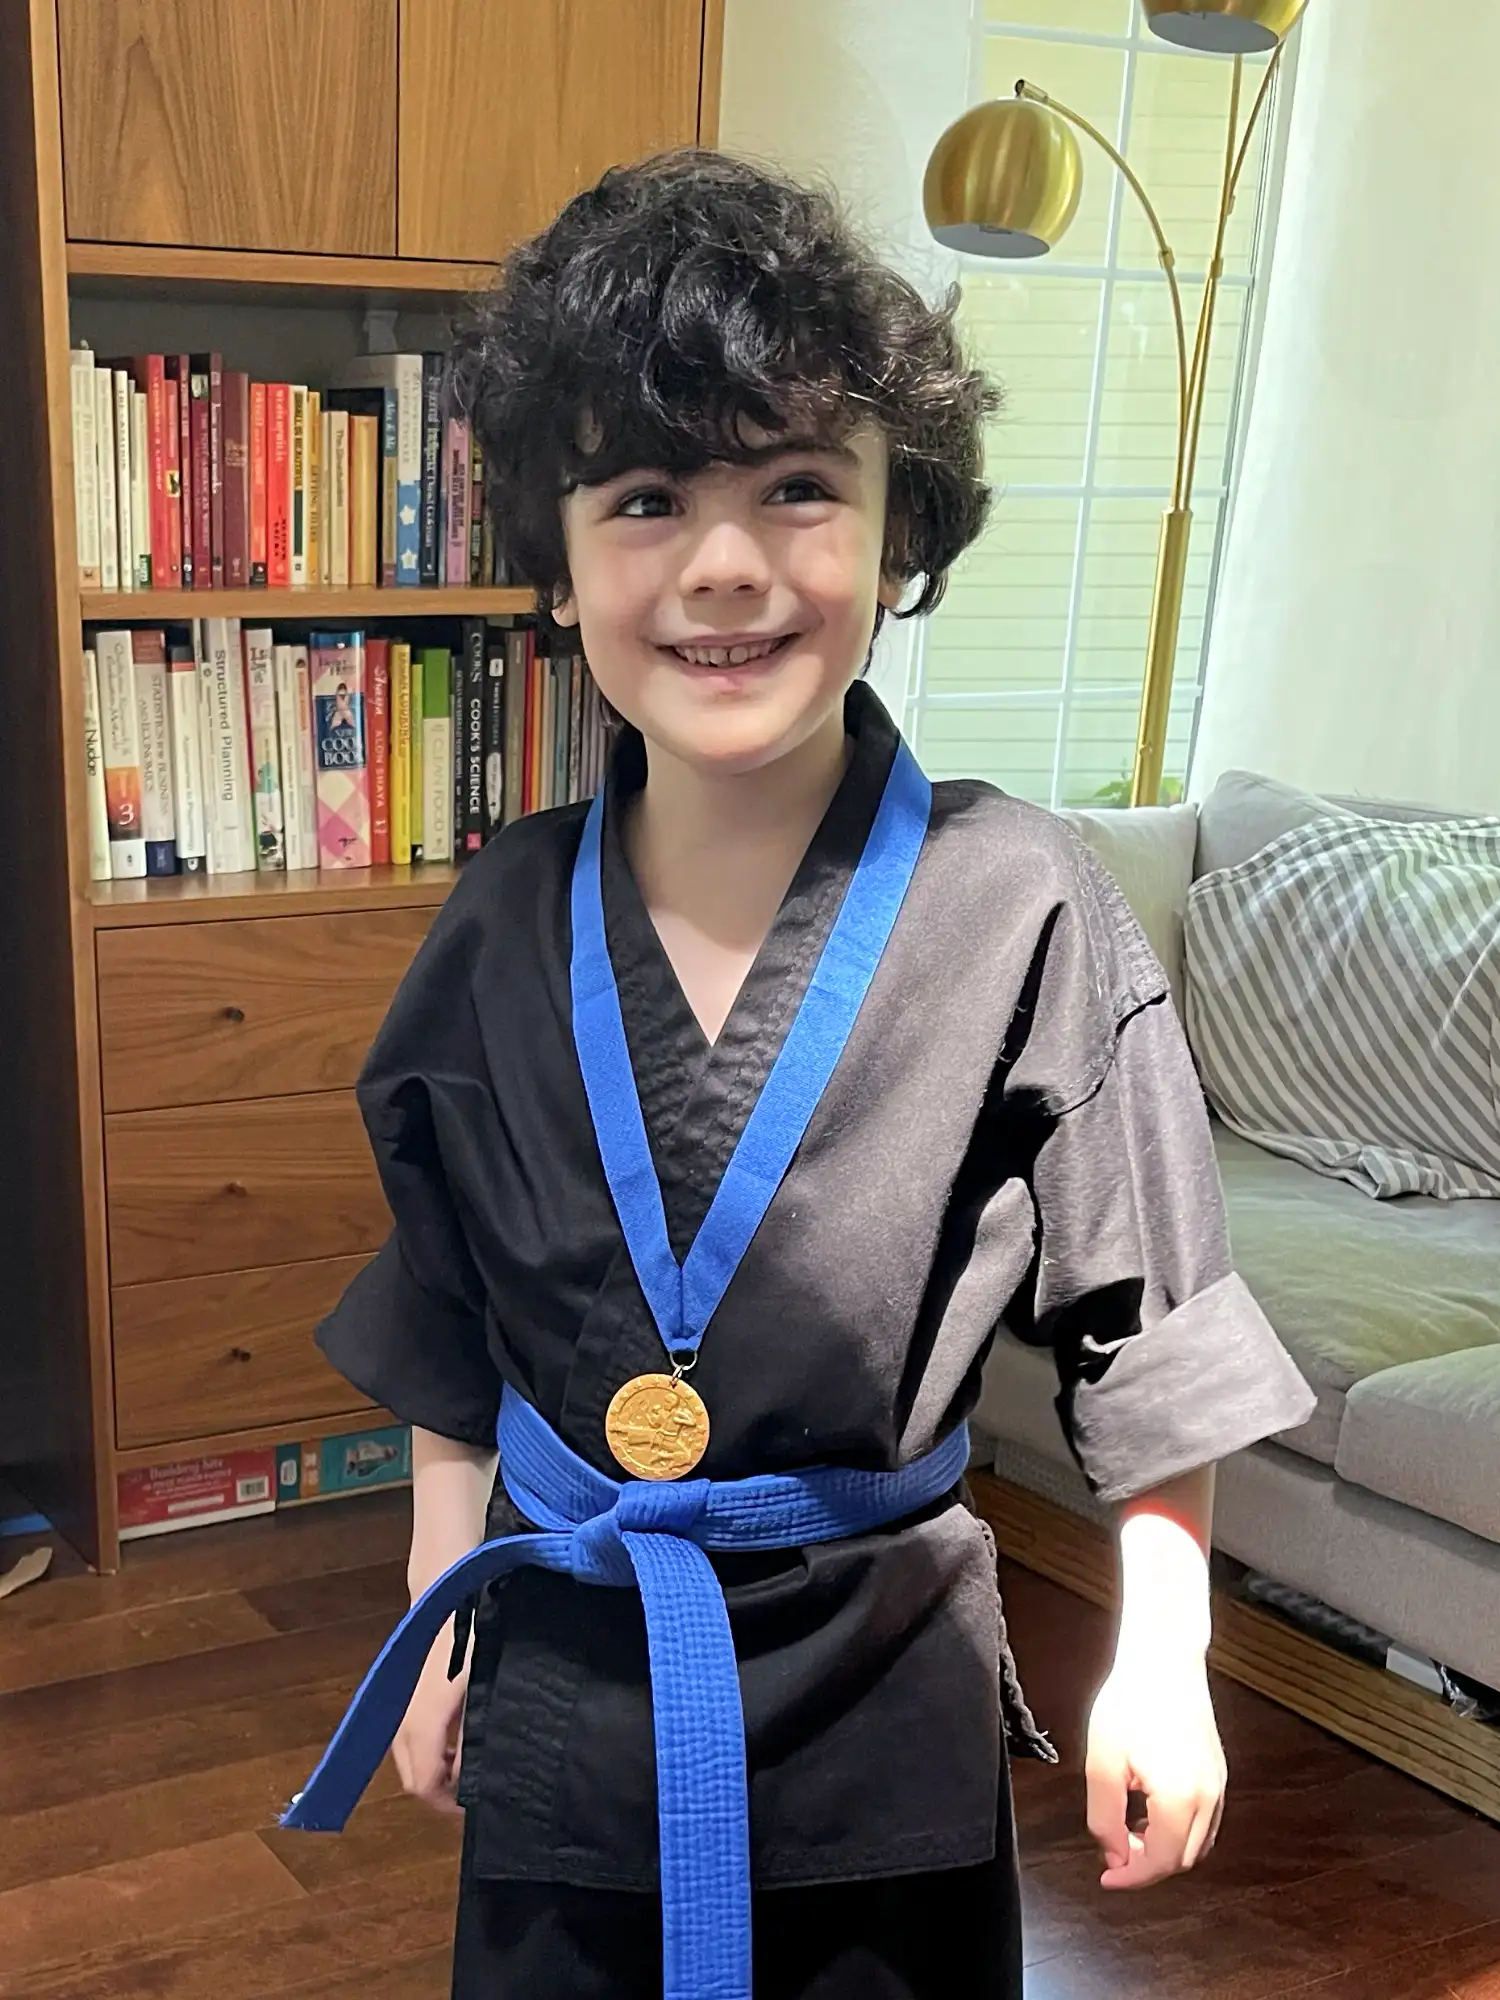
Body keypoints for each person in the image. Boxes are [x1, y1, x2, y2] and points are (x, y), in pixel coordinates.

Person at [291, 150, 1316, 2000]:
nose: (729, 565)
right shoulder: (502, 920)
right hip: (575, 1690)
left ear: (896, 532)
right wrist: (439, 1608)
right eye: (648, 496)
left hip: (881, 1710)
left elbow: (1147, 1331)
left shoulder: (1028, 909)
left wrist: (1159, 1656)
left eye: (797, 487)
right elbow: (451, 1319)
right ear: (557, 561)